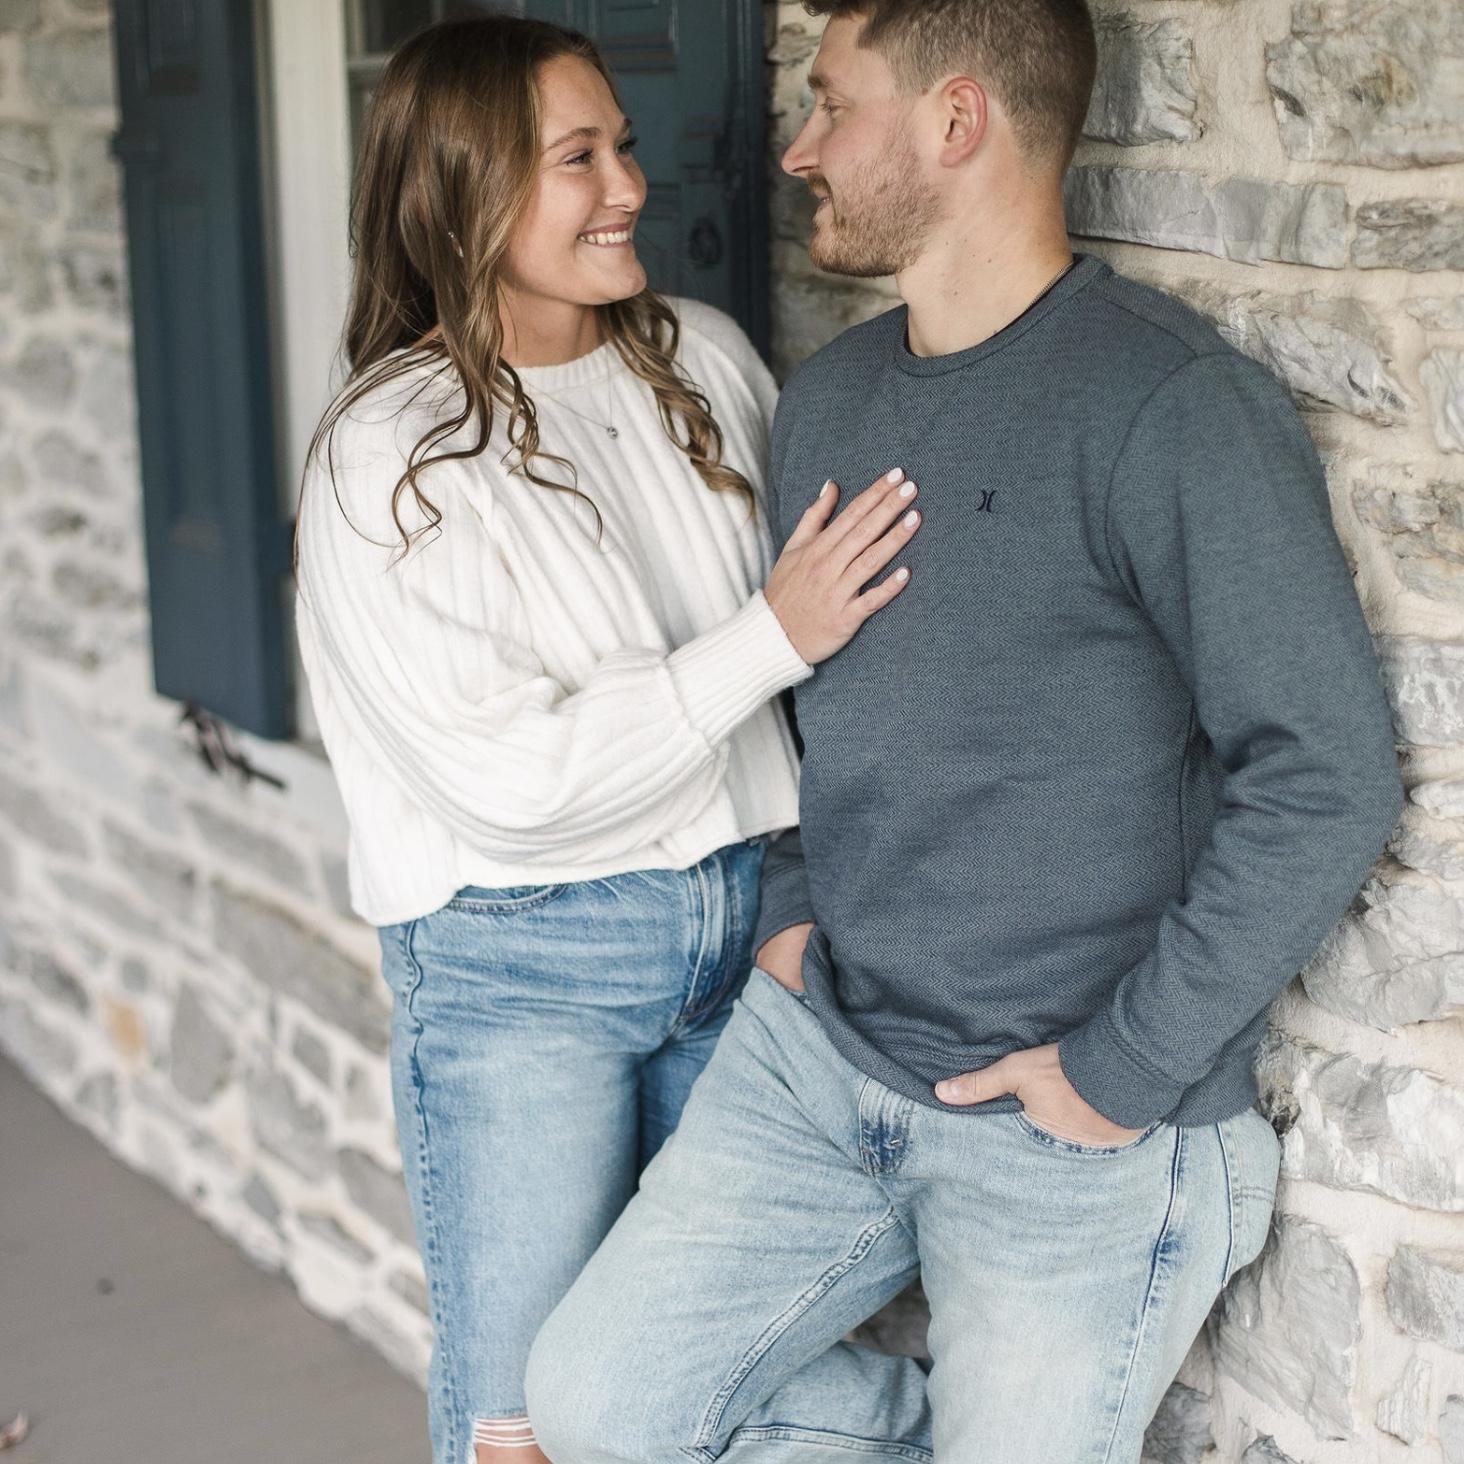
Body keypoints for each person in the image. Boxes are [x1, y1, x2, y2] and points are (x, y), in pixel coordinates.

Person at [523, 1, 1405, 1460]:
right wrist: (793, 912)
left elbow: (1326, 775)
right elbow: (817, 713)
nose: (798, 149)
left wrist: (1123, 1069)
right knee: (594, 1406)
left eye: (831, 104)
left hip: (1073, 1123)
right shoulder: (830, 403)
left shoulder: (1173, 407)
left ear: (955, 119)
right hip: (821, 1062)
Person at [292, 15, 921, 1464]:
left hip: (746, 940)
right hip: (523, 972)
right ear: (464, 188)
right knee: (524, 1428)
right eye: (577, 158)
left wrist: (800, 888)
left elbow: (824, 674)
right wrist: (768, 638)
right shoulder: (389, 454)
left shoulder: (702, 359)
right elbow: (510, 782)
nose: (628, 185)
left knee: (693, 1384)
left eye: (622, 146)